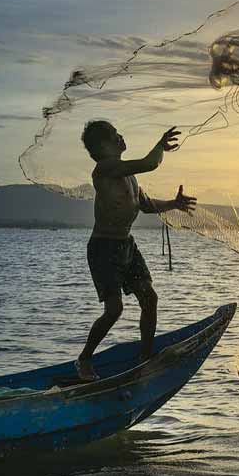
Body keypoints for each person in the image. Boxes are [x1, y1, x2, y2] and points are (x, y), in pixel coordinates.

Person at [75, 120, 196, 382]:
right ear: (104, 146)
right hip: (104, 248)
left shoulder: (129, 175)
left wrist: (174, 204)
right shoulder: (105, 169)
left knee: (149, 299)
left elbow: (147, 205)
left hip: (126, 245)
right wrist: (161, 146)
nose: (121, 137)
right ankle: (84, 359)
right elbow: (150, 163)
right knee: (114, 309)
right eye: (116, 135)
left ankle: (145, 357)